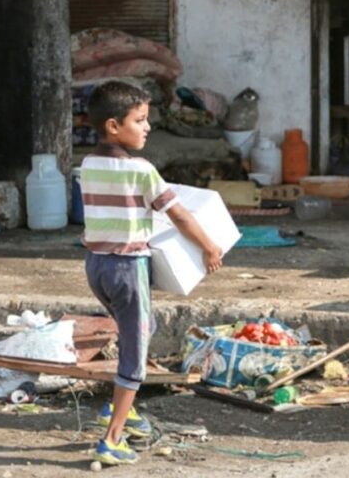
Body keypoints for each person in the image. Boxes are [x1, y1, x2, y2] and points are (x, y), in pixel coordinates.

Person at [80, 80, 224, 465]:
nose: (147, 127)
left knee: (143, 329)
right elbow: (180, 215)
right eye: (140, 120)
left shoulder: (88, 164)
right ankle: (112, 438)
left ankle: (120, 408)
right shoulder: (141, 170)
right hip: (127, 269)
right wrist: (209, 246)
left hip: (96, 267)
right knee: (135, 352)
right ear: (114, 126)